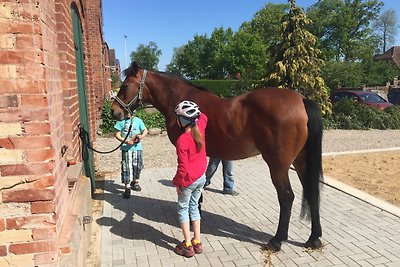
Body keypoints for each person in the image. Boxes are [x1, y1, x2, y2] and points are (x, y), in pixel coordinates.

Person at [172, 100, 207, 258]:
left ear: (182, 120)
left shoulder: (182, 140)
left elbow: (183, 168)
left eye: (178, 117)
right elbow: (204, 116)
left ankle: (187, 245)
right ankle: (197, 242)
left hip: (188, 181)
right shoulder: (200, 128)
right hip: (201, 178)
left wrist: (177, 182)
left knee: (183, 210)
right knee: (194, 207)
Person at [114, 111, 148, 199]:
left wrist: (141, 136)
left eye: (130, 112)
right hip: (126, 148)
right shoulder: (121, 122)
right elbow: (117, 134)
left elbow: (145, 130)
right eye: (126, 112)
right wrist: (125, 141)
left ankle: (135, 182)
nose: (128, 113)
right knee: (127, 166)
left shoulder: (138, 120)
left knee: (138, 165)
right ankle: (127, 186)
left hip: (137, 148)